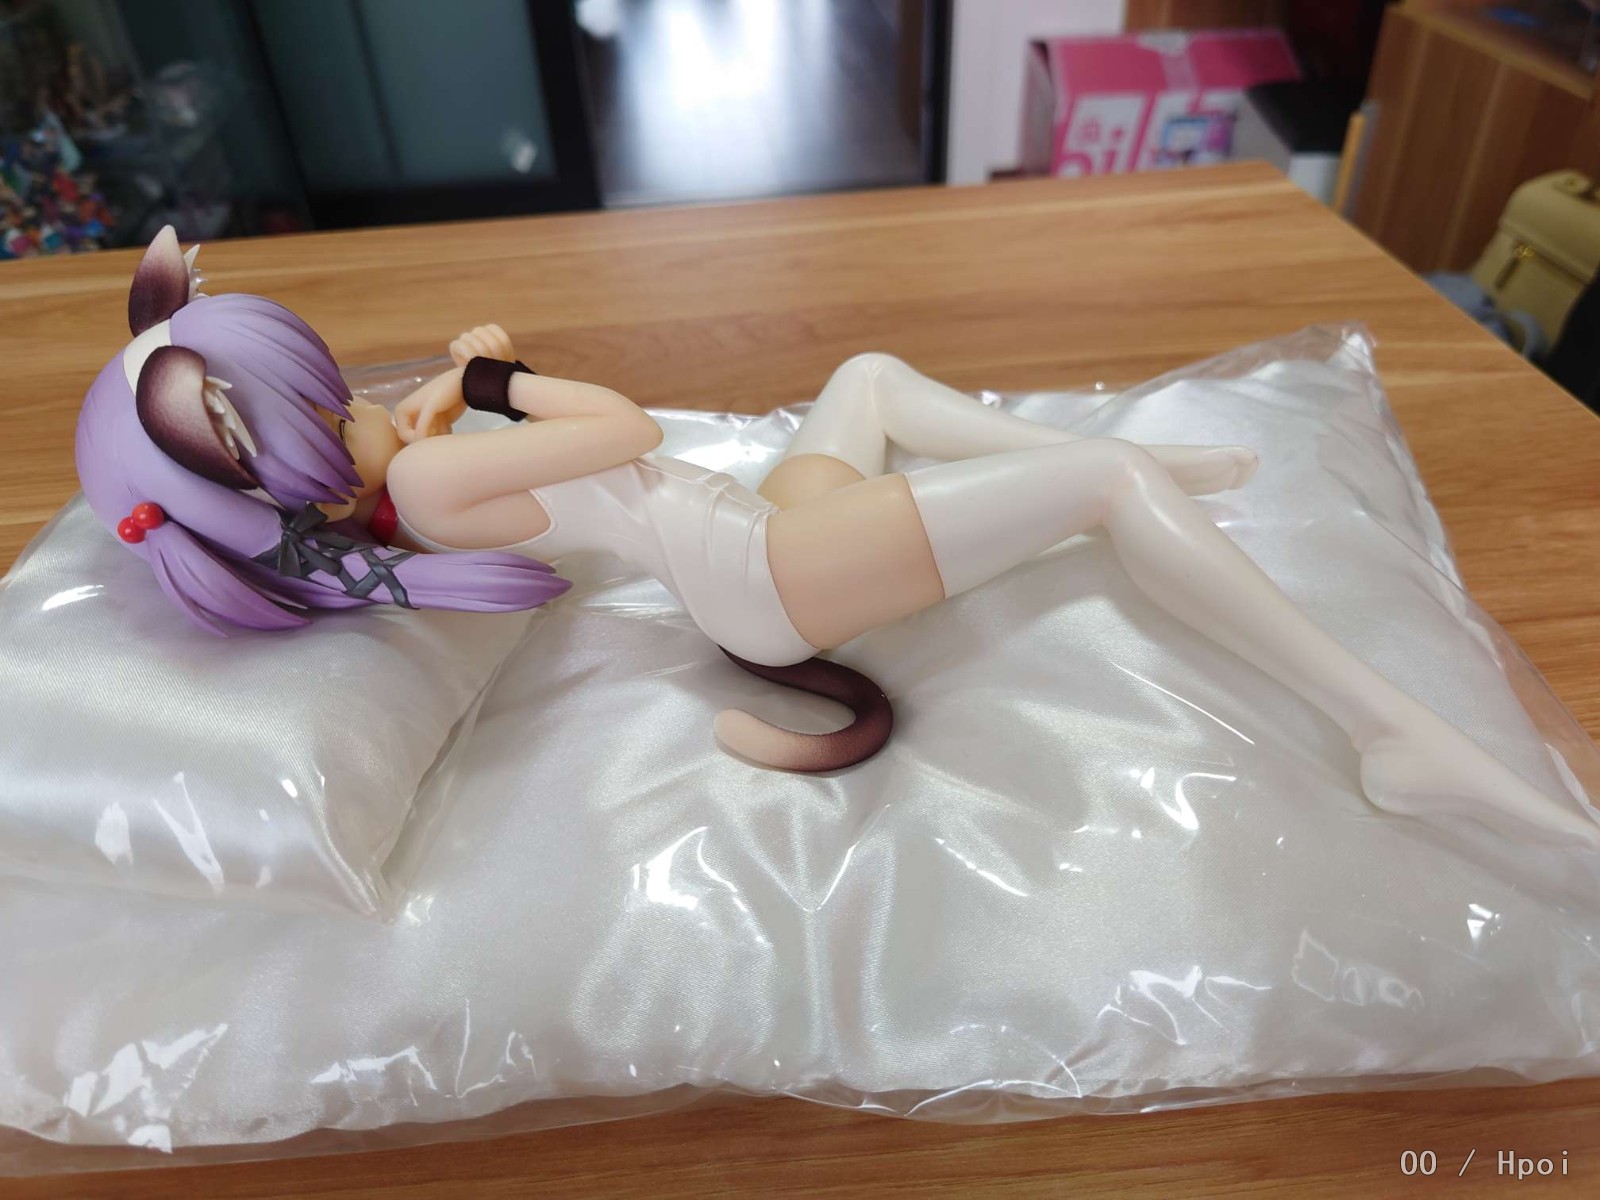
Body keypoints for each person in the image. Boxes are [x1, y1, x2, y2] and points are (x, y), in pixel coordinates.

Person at [79, 228, 1600, 850]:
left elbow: (595, 460)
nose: (361, 395)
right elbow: (626, 429)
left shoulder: (411, 477)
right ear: (294, 471)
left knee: (865, 377)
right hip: (772, 580)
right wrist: (491, 386)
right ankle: (1388, 729)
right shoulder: (424, 491)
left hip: (757, 531)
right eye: (328, 406)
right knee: (1103, 495)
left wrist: (447, 401)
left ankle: (1143, 465)